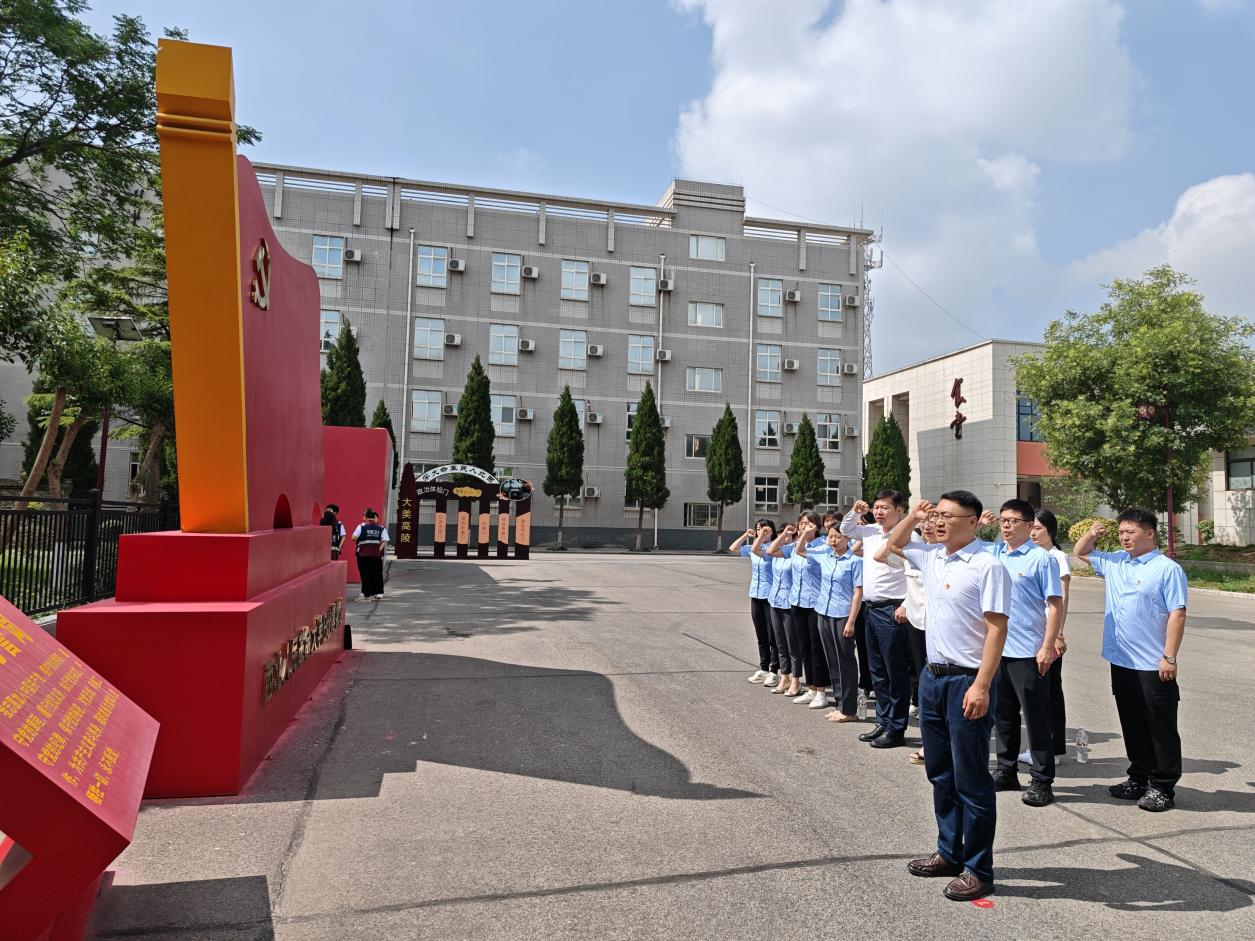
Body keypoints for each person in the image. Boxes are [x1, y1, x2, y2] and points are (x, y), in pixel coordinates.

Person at [890, 492, 1010, 903]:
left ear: (973, 522)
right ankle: (949, 851)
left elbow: (997, 628)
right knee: (939, 772)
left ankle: (978, 869)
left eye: (948, 516)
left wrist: (982, 685)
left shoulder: (987, 565)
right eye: (936, 515)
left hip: (966, 681)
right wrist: (913, 515)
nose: (938, 522)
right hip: (933, 678)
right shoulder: (932, 556)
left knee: (971, 778)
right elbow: (895, 544)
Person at [1074, 509, 1187, 812]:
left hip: (1153, 664)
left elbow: (1177, 613)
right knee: (1132, 723)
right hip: (1122, 660)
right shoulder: (1115, 561)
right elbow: (1081, 552)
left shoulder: (1167, 569)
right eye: (1121, 532)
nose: (1124, 537)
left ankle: (1163, 786)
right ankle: (1139, 777)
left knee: (1160, 727)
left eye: (1131, 532)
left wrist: (1169, 656)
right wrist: (1092, 534)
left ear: (1150, 534)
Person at [980, 501, 1063, 808]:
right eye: (1003, 520)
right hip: (998, 649)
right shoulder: (994, 553)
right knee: (1003, 715)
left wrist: (1047, 645)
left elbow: (1055, 604)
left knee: (1036, 717)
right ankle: (1006, 770)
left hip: (1028, 650)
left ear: (1029, 527)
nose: (1006, 525)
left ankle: (1042, 780)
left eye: (1013, 521)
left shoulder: (1042, 559)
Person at [841, 491, 918, 748]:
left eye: (885, 507)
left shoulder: (908, 535)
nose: (879, 512)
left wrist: (906, 604)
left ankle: (896, 728)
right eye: (876, 507)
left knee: (895, 672)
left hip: (893, 610)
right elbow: (845, 529)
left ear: (900, 510)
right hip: (871, 609)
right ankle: (883, 722)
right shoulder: (871, 531)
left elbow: (917, 574)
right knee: (878, 672)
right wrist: (856, 511)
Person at [876, 507, 939, 765]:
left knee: (939, 685)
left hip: (940, 628)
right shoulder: (916, 551)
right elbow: (884, 552)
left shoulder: (948, 554)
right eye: (927, 522)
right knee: (924, 683)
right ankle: (930, 740)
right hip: (916, 624)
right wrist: (913, 519)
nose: (930, 526)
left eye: (936, 521)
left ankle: (938, 742)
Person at [768, 513, 831, 707]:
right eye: (801, 523)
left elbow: (802, 550)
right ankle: (811, 688)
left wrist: (803, 536)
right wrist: (785, 534)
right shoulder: (793, 546)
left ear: (817, 526)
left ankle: (821, 691)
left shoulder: (823, 545)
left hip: (815, 603)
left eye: (809, 523)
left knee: (817, 648)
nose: (804, 526)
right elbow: (771, 551)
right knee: (804, 648)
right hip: (797, 601)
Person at [810, 523, 864, 722]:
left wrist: (851, 621)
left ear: (848, 538)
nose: (834, 540)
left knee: (845, 661)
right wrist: (807, 533)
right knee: (832, 661)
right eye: (831, 536)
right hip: (823, 612)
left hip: (842, 615)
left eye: (838, 537)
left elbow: (858, 593)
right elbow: (799, 551)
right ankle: (840, 706)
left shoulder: (855, 561)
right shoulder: (825, 557)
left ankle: (849, 710)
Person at [1030, 509, 1071, 762]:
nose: (1033, 533)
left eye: (1038, 528)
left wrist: (1058, 634)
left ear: (1050, 531)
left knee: (1050, 691)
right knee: (1039, 690)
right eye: (1031, 528)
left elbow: (1062, 599)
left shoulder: (1057, 557)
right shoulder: (1032, 555)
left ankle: (1053, 749)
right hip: (1031, 632)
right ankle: (1045, 746)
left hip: (1049, 632)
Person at [730, 521, 778, 686]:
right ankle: (764, 668)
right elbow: (733, 548)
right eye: (758, 529)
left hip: (770, 596)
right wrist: (746, 535)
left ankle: (774, 671)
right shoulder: (753, 547)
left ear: (772, 531)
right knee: (761, 635)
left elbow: (759, 551)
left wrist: (763, 537)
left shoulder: (774, 548)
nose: (762, 532)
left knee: (773, 636)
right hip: (756, 594)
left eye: (765, 530)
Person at [759, 523, 799, 696]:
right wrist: (782, 536)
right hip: (774, 601)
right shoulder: (777, 552)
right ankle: (784, 677)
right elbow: (767, 551)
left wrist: (792, 538)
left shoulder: (796, 552)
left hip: (789, 603)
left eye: (788, 534)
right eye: (781, 534)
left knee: (792, 645)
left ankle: (796, 679)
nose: (784, 537)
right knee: (780, 643)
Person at [352, 508, 390, 601]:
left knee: (365, 574)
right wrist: (379, 549)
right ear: (374, 517)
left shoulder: (361, 526)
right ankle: (374, 593)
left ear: (366, 517)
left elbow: (353, 538)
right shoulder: (381, 528)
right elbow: (385, 539)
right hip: (375, 555)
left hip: (363, 555)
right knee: (376, 573)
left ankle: (367, 595)